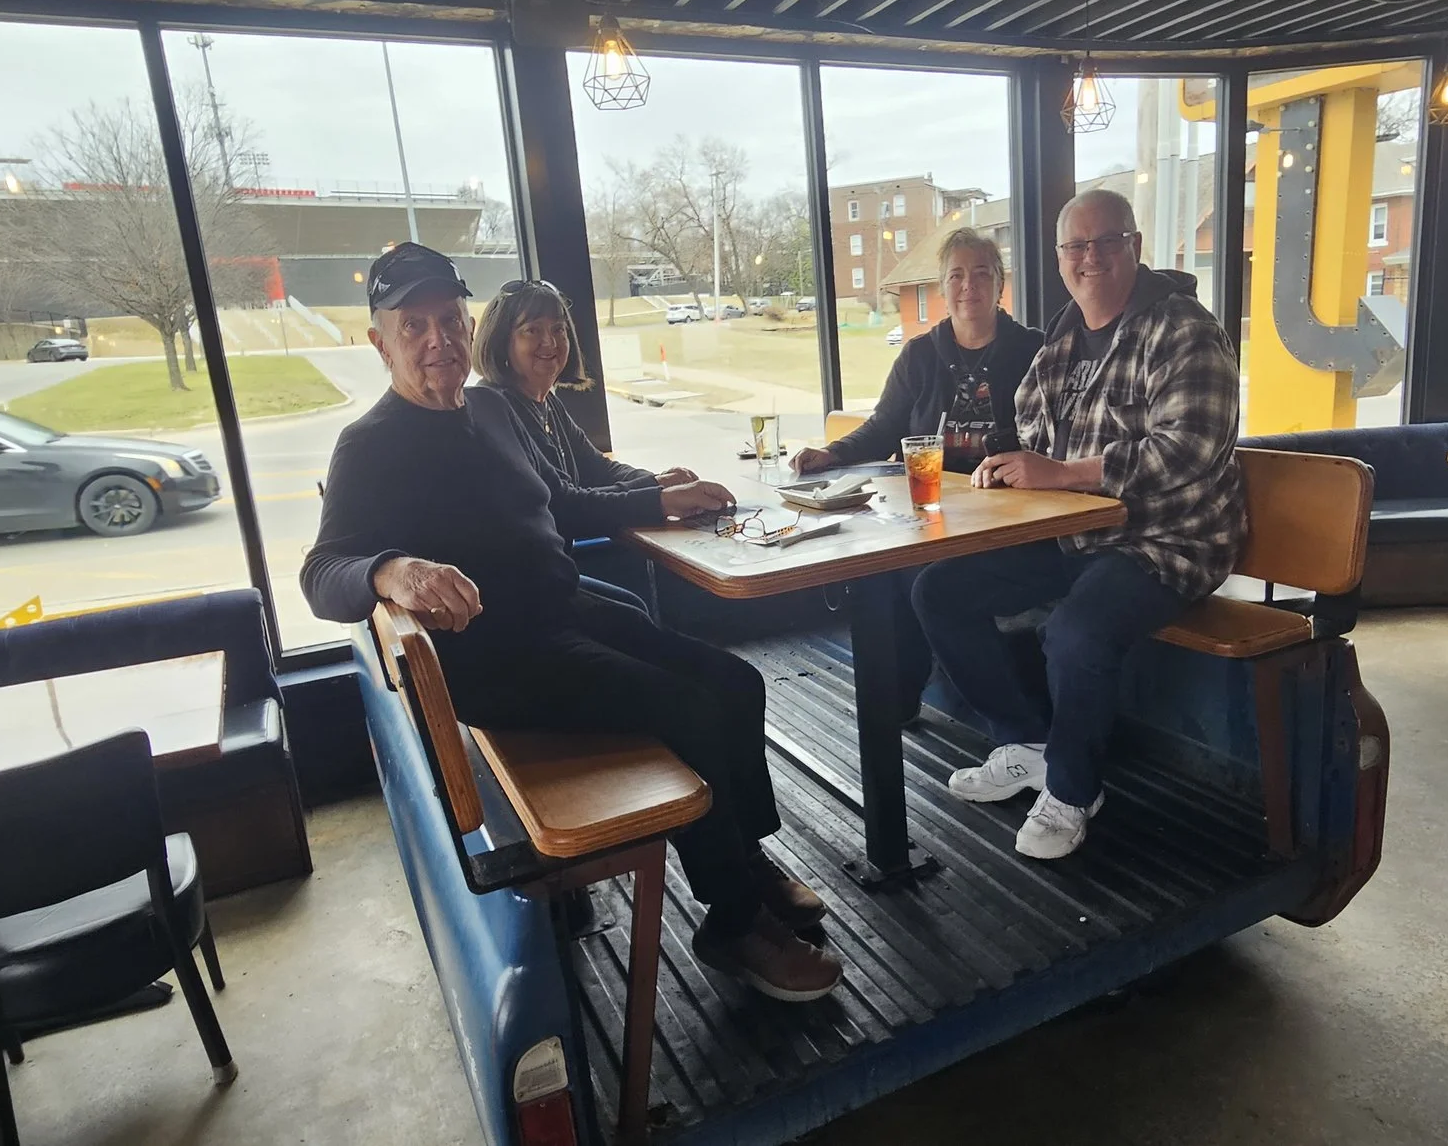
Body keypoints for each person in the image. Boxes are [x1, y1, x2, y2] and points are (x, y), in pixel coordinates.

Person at [302, 243, 843, 1001]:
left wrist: (658, 498)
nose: (438, 341)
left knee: (735, 679)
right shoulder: (369, 445)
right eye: (414, 325)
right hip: (498, 657)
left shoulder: (491, 407)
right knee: (685, 706)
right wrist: (392, 569)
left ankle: (743, 858)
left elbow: (562, 496)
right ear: (379, 341)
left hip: (563, 609)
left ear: (467, 325)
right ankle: (733, 920)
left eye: (450, 321)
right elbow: (322, 573)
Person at [913, 189, 1244, 860]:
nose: (1089, 257)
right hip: (1078, 533)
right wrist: (1007, 464)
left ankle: (1072, 788)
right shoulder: (1065, 334)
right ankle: (1028, 741)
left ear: (1135, 246)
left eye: (1105, 241)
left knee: (1076, 629)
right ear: (1061, 258)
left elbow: (1192, 445)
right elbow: (1031, 418)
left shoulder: (1186, 329)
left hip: (1167, 541)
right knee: (938, 590)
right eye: (1075, 246)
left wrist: (1063, 473)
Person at [473, 277, 702, 612]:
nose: (549, 341)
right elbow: (563, 506)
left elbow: (598, 468)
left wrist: (659, 479)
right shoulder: (496, 409)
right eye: (532, 330)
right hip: (519, 598)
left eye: (559, 329)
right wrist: (658, 497)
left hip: (553, 576)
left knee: (635, 609)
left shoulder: (545, 403)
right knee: (640, 618)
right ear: (501, 341)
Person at [789, 226, 1041, 477]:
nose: (968, 285)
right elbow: (883, 429)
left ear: (999, 286)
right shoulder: (919, 355)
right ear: (942, 288)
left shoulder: (1035, 351)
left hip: (1009, 498)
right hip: (930, 494)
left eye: (982, 273)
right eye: (955, 275)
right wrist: (831, 453)